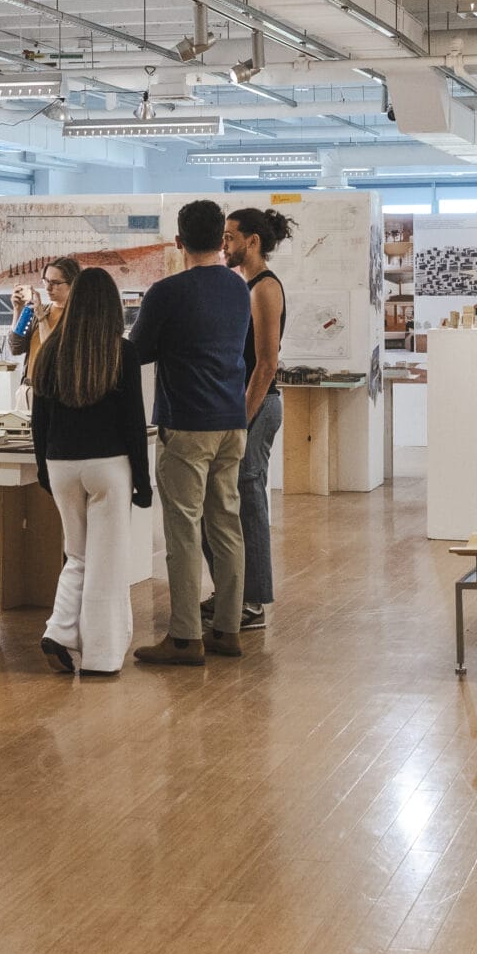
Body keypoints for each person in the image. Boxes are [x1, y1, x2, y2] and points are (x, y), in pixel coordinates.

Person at [128, 199, 252, 665]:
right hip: (230, 421)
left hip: (187, 423)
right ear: (222, 240)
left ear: (179, 241)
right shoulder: (239, 288)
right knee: (226, 526)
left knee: (182, 530)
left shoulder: (166, 292)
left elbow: (137, 352)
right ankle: (228, 628)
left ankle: (183, 637)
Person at [33, 267, 152, 677]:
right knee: (107, 560)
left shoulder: (51, 350)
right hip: (108, 466)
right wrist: (143, 479)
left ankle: (59, 630)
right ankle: (101, 656)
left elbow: (39, 420)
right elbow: (133, 424)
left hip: (60, 463)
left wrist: (43, 470)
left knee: (78, 555)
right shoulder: (122, 352)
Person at [220, 207, 292, 632]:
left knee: (250, 504)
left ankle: (253, 602)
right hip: (245, 404)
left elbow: (266, 365)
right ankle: (235, 593)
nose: (224, 245)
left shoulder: (264, 288)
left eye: (230, 237)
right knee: (235, 503)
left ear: (253, 242)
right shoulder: (243, 285)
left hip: (259, 406)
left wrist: (242, 420)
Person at [8, 256, 79, 399]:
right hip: (28, 388)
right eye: (45, 281)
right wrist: (18, 310)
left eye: (55, 283)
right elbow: (16, 347)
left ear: (73, 284)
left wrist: (41, 317)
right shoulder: (41, 310)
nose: (48, 287)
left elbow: (54, 352)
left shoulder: (77, 318)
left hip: (58, 392)